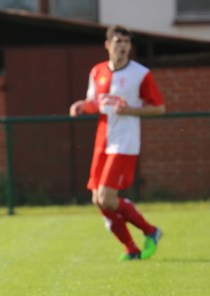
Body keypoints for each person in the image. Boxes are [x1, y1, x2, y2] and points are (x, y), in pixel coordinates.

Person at [69, 25, 165, 261]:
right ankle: (131, 249)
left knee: (108, 198)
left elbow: (159, 108)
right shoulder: (97, 71)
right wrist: (82, 105)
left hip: (125, 142)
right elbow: (95, 102)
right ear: (107, 45)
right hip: (103, 140)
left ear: (130, 47)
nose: (122, 46)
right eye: (118, 41)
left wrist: (131, 109)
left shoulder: (140, 74)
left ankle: (151, 231)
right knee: (97, 200)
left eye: (126, 42)